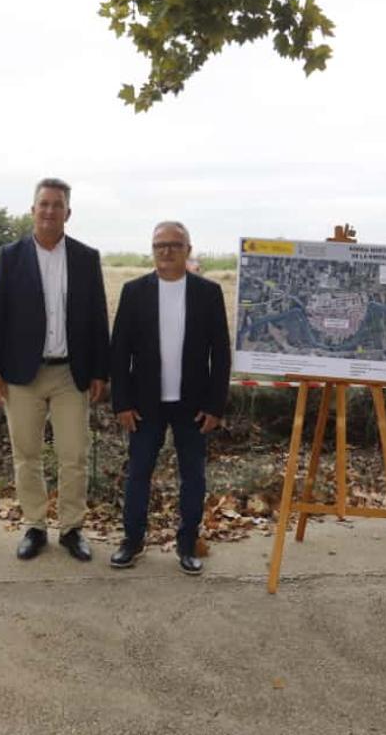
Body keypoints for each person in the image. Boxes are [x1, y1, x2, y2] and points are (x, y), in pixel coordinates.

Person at [0, 178, 110, 561]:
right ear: (32, 209)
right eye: (43, 204)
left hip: (72, 374)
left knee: (74, 454)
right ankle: (35, 526)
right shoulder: (10, 256)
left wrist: (100, 371)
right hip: (22, 374)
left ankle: (72, 528)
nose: (50, 210)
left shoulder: (87, 258)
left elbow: (98, 318)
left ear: (68, 213)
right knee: (27, 454)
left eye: (57, 205)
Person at [108, 222, 230, 574]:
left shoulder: (208, 293)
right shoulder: (135, 292)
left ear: (188, 250)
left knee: (193, 477)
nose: (166, 251)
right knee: (139, 474)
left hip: (193, 406)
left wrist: (215, 405)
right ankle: (132, 541)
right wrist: (122, 402)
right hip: (145, 404)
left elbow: (220, 354)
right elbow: (119, 353)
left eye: (174, 245)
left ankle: (187, 543)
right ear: (152, 250)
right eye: (159, 245)